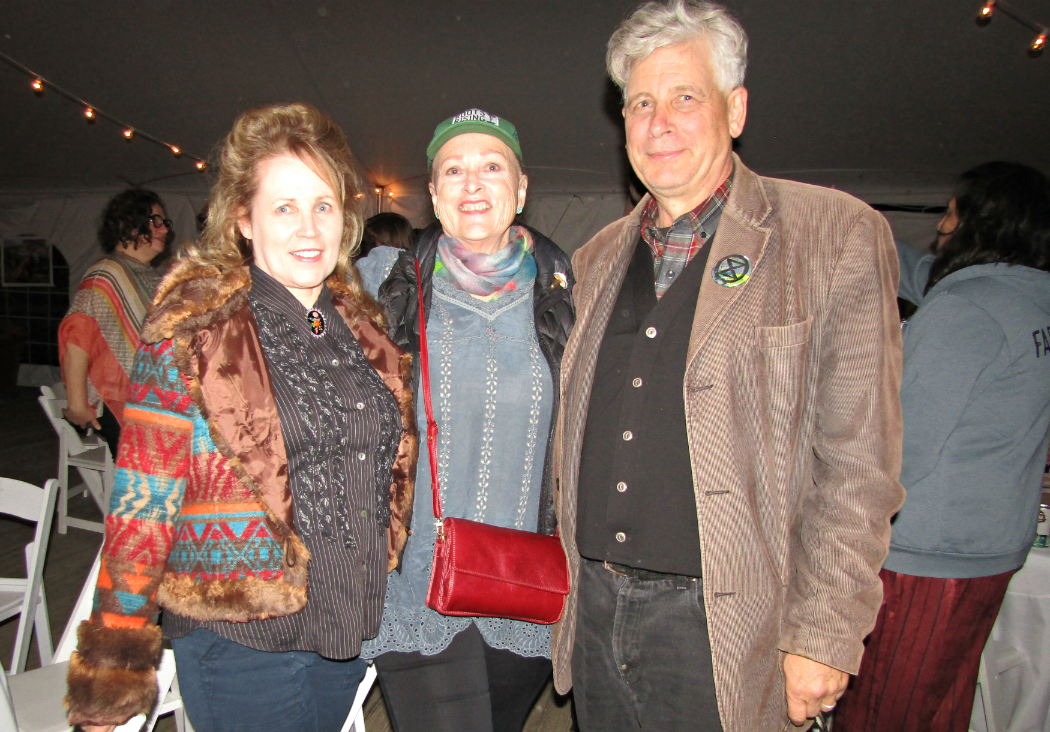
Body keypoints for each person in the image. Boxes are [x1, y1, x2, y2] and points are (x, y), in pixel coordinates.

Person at [550, 2, 906, 730]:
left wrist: (824, 634)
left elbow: (858, 465)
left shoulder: (832, 236)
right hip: (595, 610)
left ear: (735, 109)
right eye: (640, 104)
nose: (658, 123)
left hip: (731, 629)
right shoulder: (595, 259)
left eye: (685, 97)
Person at [64, 102, 418, 732]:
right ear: (243, 220)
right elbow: (142, 500)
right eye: (283, 207)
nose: (308, 227)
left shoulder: (361, 328)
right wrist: (113, 665)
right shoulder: (196, 330)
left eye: (323, 206)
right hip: (239, 638)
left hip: (345, 623)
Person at [356, 109, 575, 732]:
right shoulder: (384, 284)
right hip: (415, 583)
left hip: (524, 584)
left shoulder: (568, 295)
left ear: (521, 189)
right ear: (433, 194)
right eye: (454, 170)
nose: (472, 183)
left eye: (491, 167)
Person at [836, 162, 1050, 732]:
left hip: (927, 557)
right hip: (988, 549)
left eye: (953, 214)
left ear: (985, 222)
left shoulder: (966, 311)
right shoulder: (1028, 297)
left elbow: (903, 446)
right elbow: (921, 272)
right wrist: (854, 224)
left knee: (880, 712)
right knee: (939, 705)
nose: (941, 226)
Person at [57, 189, 169, 453]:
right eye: (156, 221)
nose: (164, 229)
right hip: (123, 401)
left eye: (165, 222)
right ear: (128, 225)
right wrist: (77, 405)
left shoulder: (149, 275)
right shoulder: (106, 274)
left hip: (154, 400)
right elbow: (77, 337)